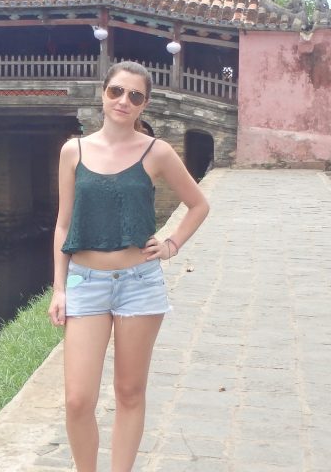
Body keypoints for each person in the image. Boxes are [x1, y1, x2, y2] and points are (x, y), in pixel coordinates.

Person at [48, 61, 210, 471]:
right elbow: (63, 223)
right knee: (77, 399)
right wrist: (59, 288)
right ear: (103, 94)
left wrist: (171, 244)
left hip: (139, 283)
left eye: (135, 96)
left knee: (129, 392)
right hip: (85, 282)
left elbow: (198, 204)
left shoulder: (157, 152)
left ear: (145, 105)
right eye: (116, 91)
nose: (124, 101)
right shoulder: (73, 150)